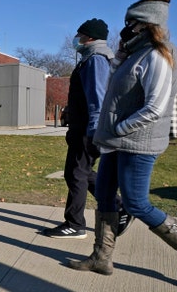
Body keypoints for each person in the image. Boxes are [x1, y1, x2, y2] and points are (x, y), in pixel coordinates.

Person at [68, 0, 177, 289]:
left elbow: (155, 106)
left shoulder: (158, 55)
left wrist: (120, 127)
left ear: (146, 24)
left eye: (131, 23)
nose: (126, 28)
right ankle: (102, 258)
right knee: (103, 195)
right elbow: (117, 94)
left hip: (137, 143)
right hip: (117, 141)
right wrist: (121, 59)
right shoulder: (133, 54)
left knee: (137, 203)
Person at [43, 19, 133, 239]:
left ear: (90, 37)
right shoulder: (93, 59)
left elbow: (98, 97)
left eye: (80, 34)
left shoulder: (96, 60)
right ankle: (119, 206)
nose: (76, 38)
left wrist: (94, 130)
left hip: (88, 130)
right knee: (83, 173)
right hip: (83, 128)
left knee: (75, 173)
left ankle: (75, 224)